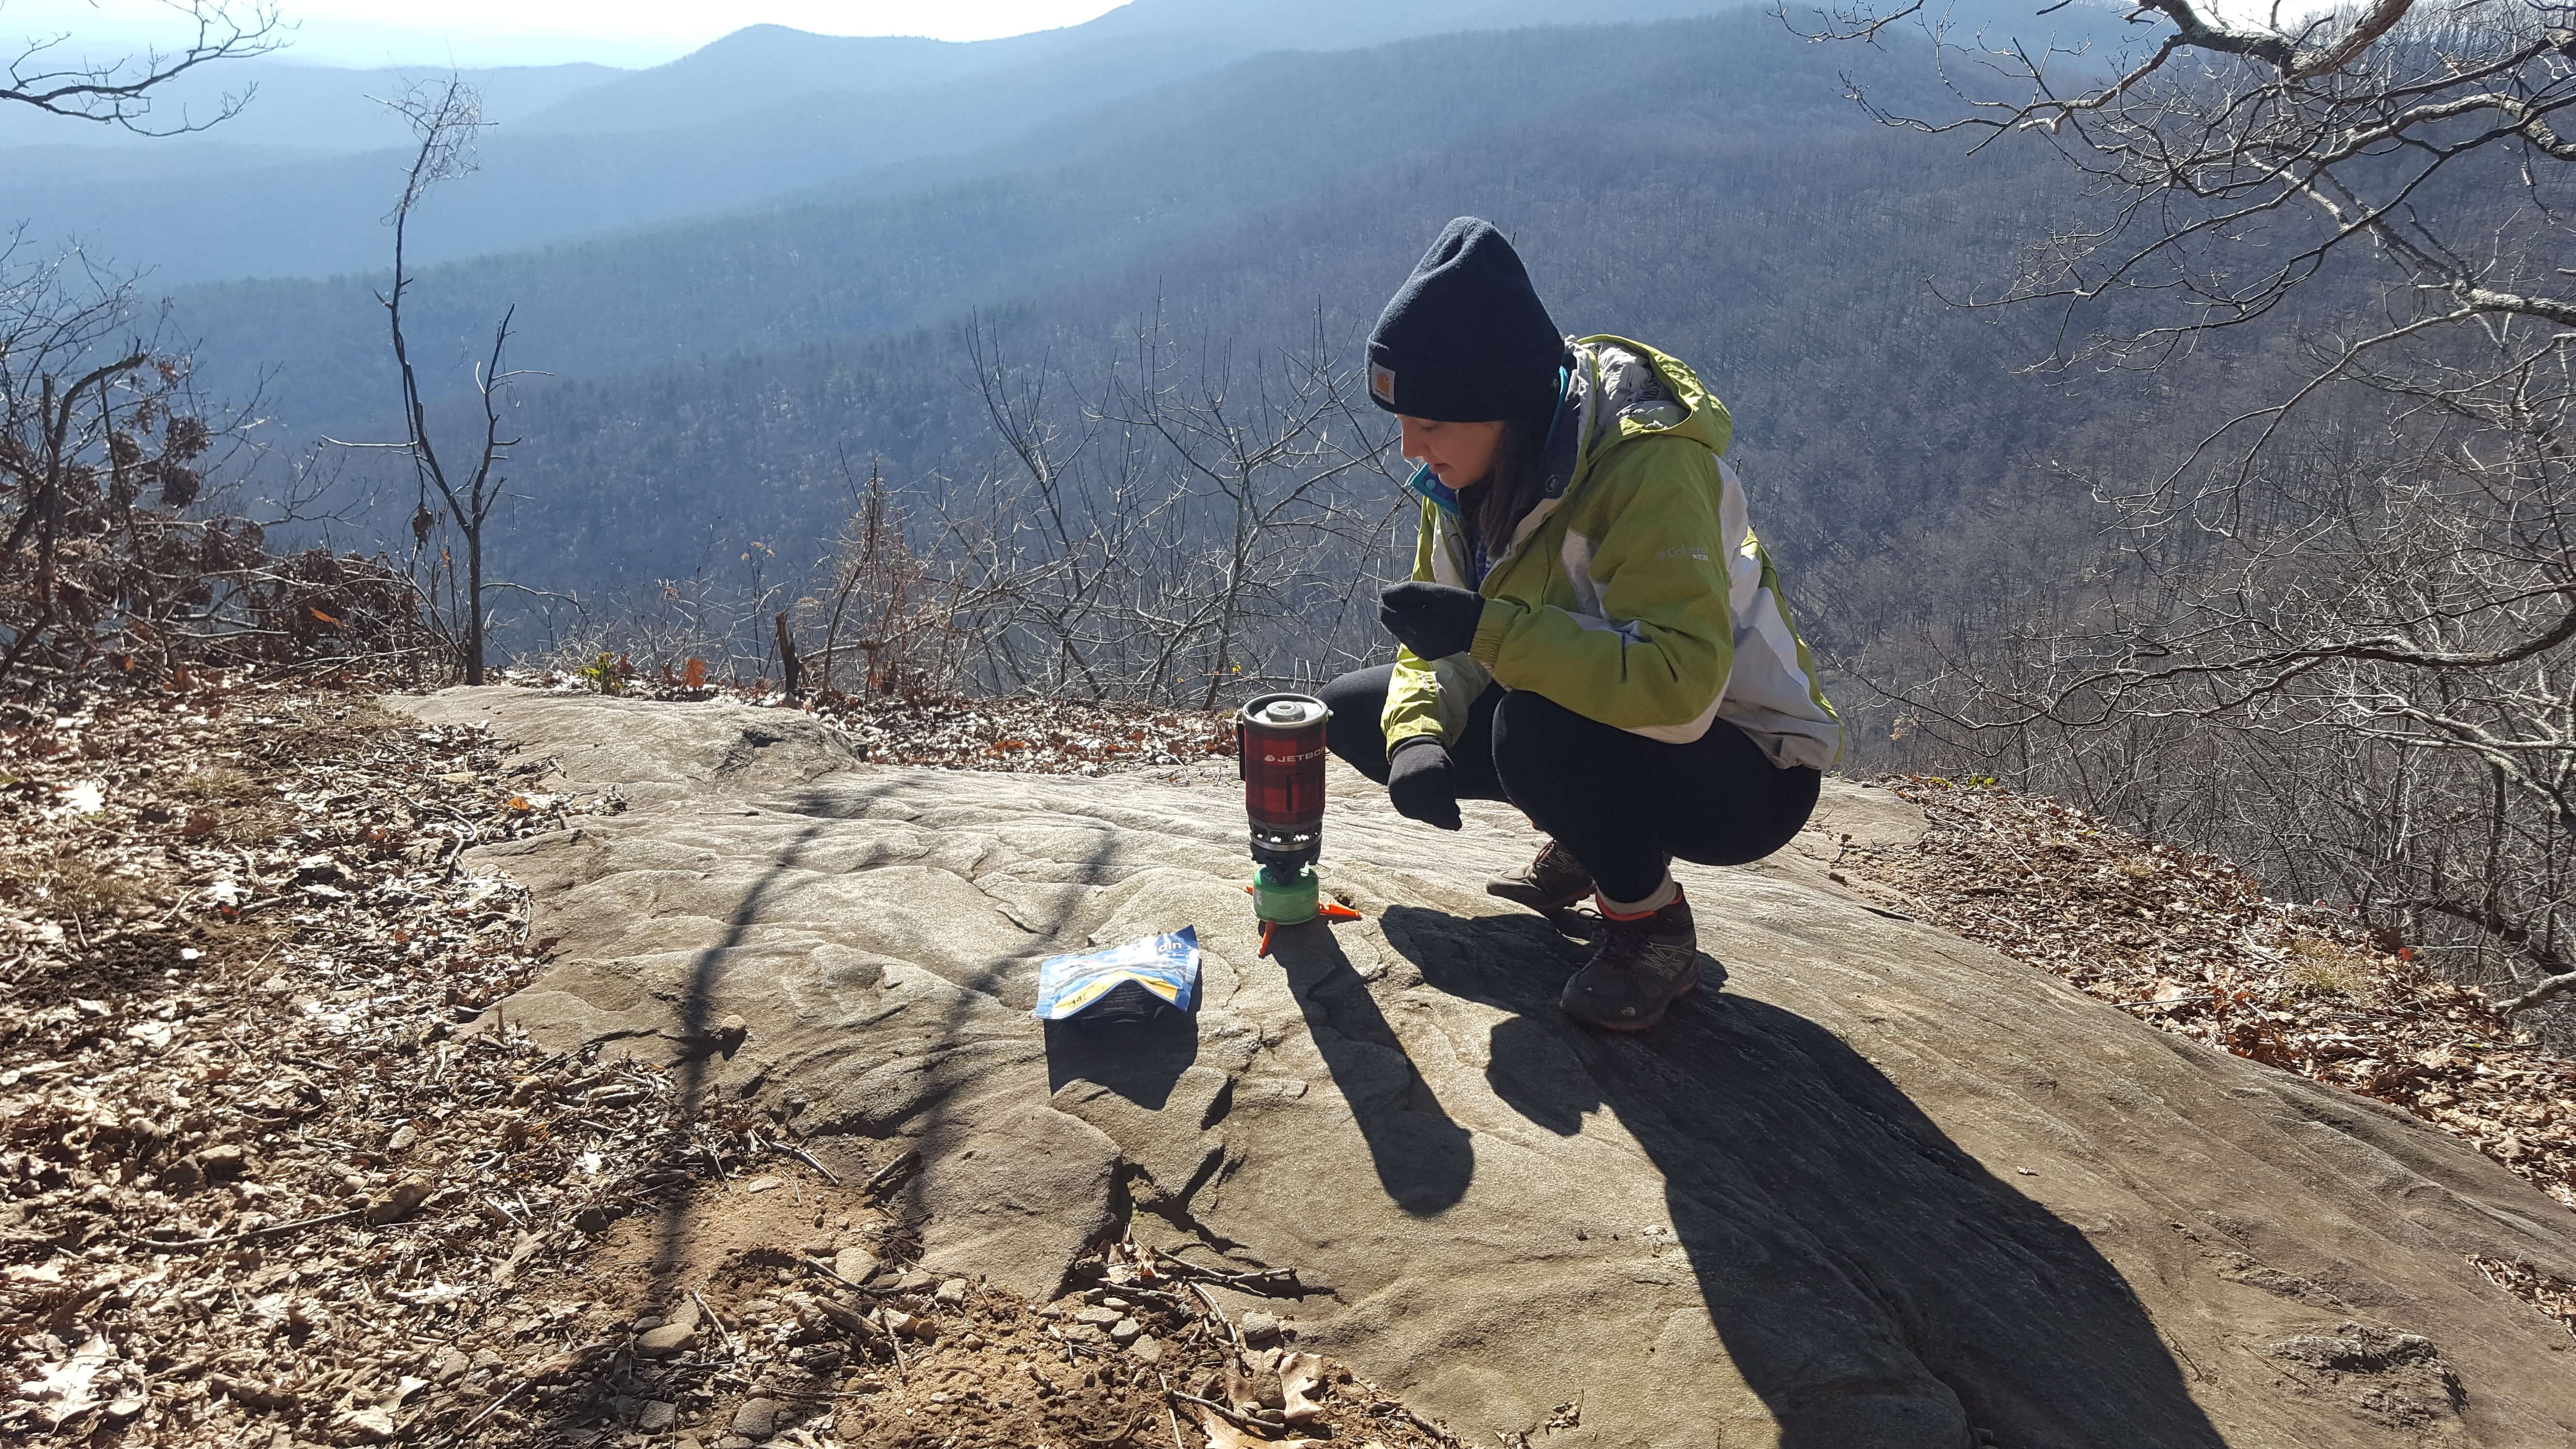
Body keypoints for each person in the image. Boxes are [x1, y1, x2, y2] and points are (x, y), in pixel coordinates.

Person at [1321, 217, 1842, 1031]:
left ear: (1500, 407)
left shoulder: (1647, 464)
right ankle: (1593, 829)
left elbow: (1678, 690)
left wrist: (1491, 632)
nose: (1408, 448)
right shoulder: (1473, 473)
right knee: (1357, 713)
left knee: (1529, 731)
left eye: (1429, 423)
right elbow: (1450, 629)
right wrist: (1419, 733)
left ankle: (1652, 930)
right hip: (1613, 720)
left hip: (1748, 767)